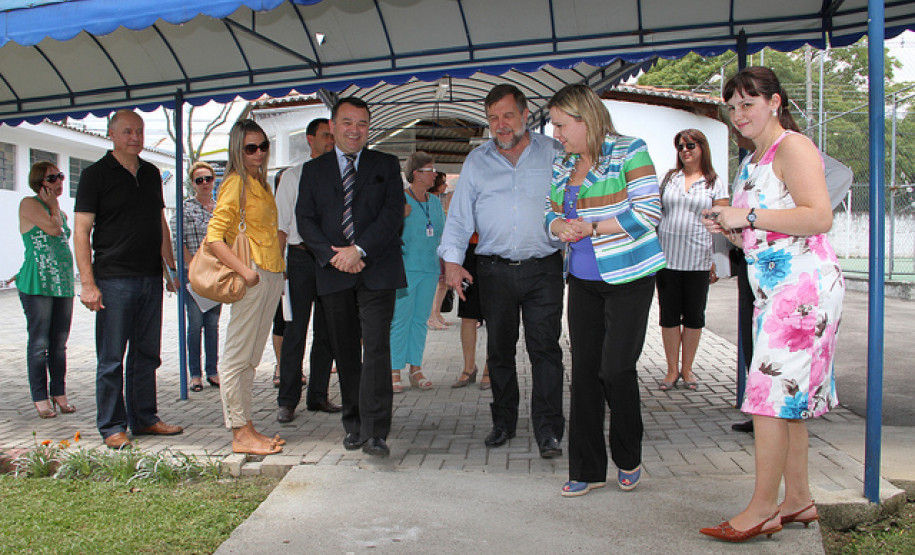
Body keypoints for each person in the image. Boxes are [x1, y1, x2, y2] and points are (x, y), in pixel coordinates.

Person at [699, 66, 843, 542]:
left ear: (775, 102)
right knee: (788, 399)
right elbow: (764, 234)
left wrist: (749, 214)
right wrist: (735, 232)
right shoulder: (752, 159)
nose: (739, 114)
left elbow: (818, 215)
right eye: (733, 106)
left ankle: (763, 507)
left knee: (766, 398)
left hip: (803, 290)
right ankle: (798, 499)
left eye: (748, 103)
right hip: (774, 288)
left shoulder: (793, 147)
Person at [545, 84, 666, 496]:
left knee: (615, 369)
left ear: (585, 118)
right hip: (581, 279)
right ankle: (587, 468)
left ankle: (628, 456)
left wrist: (592, 227)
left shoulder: (630, 150)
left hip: (629, 277)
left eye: (561, 125)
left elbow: (649, 212)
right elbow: (550, 210)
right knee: (584, 374)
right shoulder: (564, 163)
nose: (556, 134)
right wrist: (557, 226)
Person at [439, 84, 565, 459]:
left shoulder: (555, 154)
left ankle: (548, 430)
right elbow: (459, 218)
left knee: (545, 350)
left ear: (526, 115)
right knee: (499, 351)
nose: (501, 125)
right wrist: (451, 261)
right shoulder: (477, 162)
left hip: (543, 268)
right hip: (492, 271)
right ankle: (504, 423)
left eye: (508, 116)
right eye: (493, 118)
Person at [297, 97, 406, 458]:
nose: (354, 130)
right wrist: (335, 256)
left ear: (368, 127)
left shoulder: (386, 165)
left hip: (377, 268)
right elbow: (306, 221)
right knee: (344, 350)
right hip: (334, 272)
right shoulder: (312, 171)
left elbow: (392, 216)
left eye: (361, 123)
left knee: (375, 349)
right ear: (333, 125)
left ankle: (376, 432)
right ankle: (354, 423)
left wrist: (358, 251)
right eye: (347, 122)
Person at [74, 109, 184, 449]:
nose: (134, 137)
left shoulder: (151, 173)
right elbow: (81, 232)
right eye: (127, 131)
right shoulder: (95, 175)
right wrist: (88, 284)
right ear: (112, 134)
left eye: (138, 131)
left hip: (150, 278)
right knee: (111, 359)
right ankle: (111, 427)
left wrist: (170, 268)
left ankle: (145, 419)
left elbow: (160, 222)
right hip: (113, 280)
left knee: (146, 355)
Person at [205, 119, 286, 456]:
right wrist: (246, 272)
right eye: (251, 148)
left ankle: (247, 426)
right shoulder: (235, 182)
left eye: (263, 146)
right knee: (238, 356)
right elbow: (213, 238)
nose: (259, 153)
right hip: (253, 274)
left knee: (251, 356)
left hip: (270, 273)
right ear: (238, 150)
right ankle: (239, 431)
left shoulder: (260, 183)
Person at [275, 117, 342, 422]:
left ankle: (318, 396)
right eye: (326, 135)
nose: (331, 141)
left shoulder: (343, 174)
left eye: (333, 136)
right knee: (295, 331)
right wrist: (280, 268)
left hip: (331, 261)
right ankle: (287, 399)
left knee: (328, 331)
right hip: (300, 259)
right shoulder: (293, 176)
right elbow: (280, 225)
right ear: (310, 139)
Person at [656, 129, 729, 391]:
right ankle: (671, 369)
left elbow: (722, 222)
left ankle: (687, 369)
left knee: (694, 317)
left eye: (690, 145)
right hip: (667, 259)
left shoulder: (714, 182)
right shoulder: (668, 179)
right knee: (669, 317)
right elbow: (656, 214)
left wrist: (717, 261)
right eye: (680, 146)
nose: (685, 150)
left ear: (702, 147)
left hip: (698, 259)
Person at [17, 161, 76, 419]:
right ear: (40, 182)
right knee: (39, 342)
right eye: (52, 178)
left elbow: (60, 233)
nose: (59, 182)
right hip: (37, 282)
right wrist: (53, 207)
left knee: (59, 344)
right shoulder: (29, 204)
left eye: (60, 176)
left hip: (61, 283)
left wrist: (56, 209)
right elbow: (53, 230)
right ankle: (40, 397)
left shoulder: (60, 212)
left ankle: (59, 393)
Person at [390, 152, 445, 393]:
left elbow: (442, 235)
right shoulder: (399, 200)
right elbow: (385, 233)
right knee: (400, 319)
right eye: (430, 170)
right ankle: (393, 369)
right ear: (416, 174)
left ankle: (416, 368)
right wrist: (397, 217)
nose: (434, 174)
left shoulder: (435, 202)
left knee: (420, 320)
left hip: (429, 268)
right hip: (404, 269)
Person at [171, 161, 221, 392]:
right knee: (195, 325)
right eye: (199, 180)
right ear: (192, 183)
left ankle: (212, 370)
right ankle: (194, 374)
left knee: (212, 324)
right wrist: (192, 269)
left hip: (216, 273)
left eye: (207, 178)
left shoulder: (220, 208)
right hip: (192, 273)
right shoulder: (185, 209)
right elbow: (177, 242)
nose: (204, 183)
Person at [450, 233, 491, 391]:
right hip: (469, 250)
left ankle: (490, 368)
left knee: (494, 315)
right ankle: (469, 368)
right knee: (468, 315)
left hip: (495, 251)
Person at [427, 171, 452, 330]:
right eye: (443, 182)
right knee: (436, 283)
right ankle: (430, 316)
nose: (446, 185)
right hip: (433, 246)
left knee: (444, 283)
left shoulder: (437, 200)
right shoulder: (428, 200)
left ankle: (437, 313)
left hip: (442, 244)